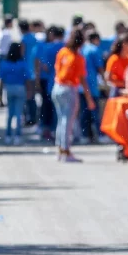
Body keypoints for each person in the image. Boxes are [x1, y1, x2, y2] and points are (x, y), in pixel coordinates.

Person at [52, 27, 96, 162]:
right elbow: (83, 80)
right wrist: (89, 98)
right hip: (69, 89)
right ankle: (66, 150)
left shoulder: (62, 52)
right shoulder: (78, 58)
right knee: (67, 121)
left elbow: (57, 69)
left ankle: (60, 149)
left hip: (57, 86)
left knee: (61, 120)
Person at [0, 41, 34, 144]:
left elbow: (1, 81)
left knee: (10, 113)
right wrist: (30, 92)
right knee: (18, 113)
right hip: (20, 88)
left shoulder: (4, 64)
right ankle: (17, 135)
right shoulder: (23, 64)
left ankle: (8, 135)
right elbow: (28, 79)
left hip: (9, 88)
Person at [35, 26, 64, 141]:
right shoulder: (66, 48)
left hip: (51, 82)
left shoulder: (47, 48)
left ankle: (48, 130)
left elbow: (44, 66)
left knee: (48, 107)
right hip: (67, 84)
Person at [80, 30, 105, 144]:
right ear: (96, 39)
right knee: (95, 113)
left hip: (81, 86)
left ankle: (85, 135)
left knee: (84, 113)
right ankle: (100, 135)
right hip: (92, 85)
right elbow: (99, 68)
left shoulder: (81, 49)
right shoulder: (95, 50)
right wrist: (105, 81)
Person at [18, 19, 40, 126]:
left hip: (26, 70)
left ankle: (28, 117)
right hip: (34, 69)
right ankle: (34, 116)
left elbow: (22, 54)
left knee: (26, 95)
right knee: (32, 95)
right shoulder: (34, 37)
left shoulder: (23, 39)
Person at [104, 32, 128, 97]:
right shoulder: (114, 59)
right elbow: (108, 78)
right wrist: (123, 83)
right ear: (124, 45)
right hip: (117, 90)